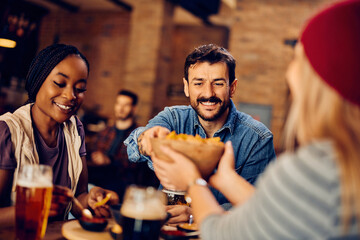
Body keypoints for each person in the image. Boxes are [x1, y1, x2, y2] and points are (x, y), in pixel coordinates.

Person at [151, 0, 360, 238]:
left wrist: (192, 182)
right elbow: (280, 216)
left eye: (299, 58)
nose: (290, 71)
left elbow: (223, 234)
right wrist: (225, 179)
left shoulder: (317, 172)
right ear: (187, 87)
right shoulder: (340, 169)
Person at [124, 44, 276, 225]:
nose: (208, 93)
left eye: (218, 83)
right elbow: (134, 149)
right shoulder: (173, 118)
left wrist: (195, 214)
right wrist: (147, 138)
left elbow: (256, 211)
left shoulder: (258, 139)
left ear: (232, 88)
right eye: (198, 83)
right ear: (187, 87)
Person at [0, 43, 119, 227]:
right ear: (37, 80)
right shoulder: (7, 131)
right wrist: (33, 208)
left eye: (79, 89)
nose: (71, 95)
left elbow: (78, 197)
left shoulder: (74, 129)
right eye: (60, 84)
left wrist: (93, 200)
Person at [87, 90, 159, 202]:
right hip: (98, 185)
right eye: (118, 103)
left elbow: (136, 164)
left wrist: (109, 160)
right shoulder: (105, 131)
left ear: (134, 108)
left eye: (126, 105)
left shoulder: (140, 135)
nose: (121, 108)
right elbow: (93, 152)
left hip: (126, 189)